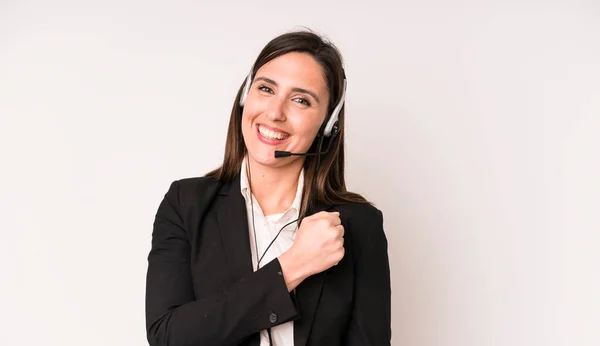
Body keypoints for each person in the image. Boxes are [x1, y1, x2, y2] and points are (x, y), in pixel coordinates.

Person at [145, 30, 391, 346]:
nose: (275, 113)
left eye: (301, 100)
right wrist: (292, 266)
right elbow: (168, 337)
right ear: (246, 97)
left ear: (327, 125)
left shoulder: (356, 225)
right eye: (266, 89)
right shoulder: (186, 204)